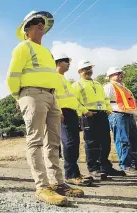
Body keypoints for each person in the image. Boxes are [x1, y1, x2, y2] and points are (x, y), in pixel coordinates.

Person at [7, 11, 83, 206]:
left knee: (54, 143)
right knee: (36, 141)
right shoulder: (23, 47)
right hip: (31, 94)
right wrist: (20, 97)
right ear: (26, 29)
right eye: (35, 22)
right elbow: (12, 76)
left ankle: (57, 183)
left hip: (51, 96)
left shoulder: (48, 52)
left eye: (42, 22)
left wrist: (55, 99)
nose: (40, 24)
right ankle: (42, 187)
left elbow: (52, 77)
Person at [72, 60, 125, 180]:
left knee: (105, 141)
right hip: (88, 115)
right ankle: (94, 169)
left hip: (102, 115)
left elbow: (105, 98)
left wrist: (108, 108)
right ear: (79, 71)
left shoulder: (98, 84)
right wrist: (85, 111)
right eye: (85, 69)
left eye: (89, 68)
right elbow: (75, 101)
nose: (88, 71)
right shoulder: (76, 85)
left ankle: (105, 167)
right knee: (92, 143)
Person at [54, 53, 93, 186]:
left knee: (74, 143)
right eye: (66, 61)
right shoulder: (54, 78)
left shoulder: (65, 79)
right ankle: (70, 175)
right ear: (58, 63)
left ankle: (75, 172)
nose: (68, 63)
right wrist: (58, 111)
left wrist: (84, 111)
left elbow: (73, 99)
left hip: (72, 113)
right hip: (63, 113)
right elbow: (52, 97)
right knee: (69, 143)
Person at [104, 67, 137, 175]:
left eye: (121, 73)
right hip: (118, 115)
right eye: (116, 73)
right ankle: (126, 166)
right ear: (110, 76)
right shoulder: (109, 86)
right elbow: (105, 100)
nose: (120, 75)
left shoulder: (125, 88)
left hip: (129, 116)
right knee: (123, 141)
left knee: (133, 141)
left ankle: (133, 164)